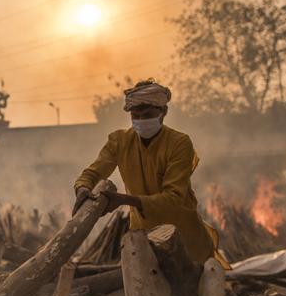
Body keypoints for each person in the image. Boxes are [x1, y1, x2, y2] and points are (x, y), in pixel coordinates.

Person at [73, 79, 227, 267]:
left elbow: (173, 198)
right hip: (143, 239)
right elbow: (94, 171)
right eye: (135, 116)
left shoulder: (179, 143)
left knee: (193, 293)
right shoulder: (119, 141)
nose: (141, 121)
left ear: (163, 112)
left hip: (185, 241)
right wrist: (83, 187)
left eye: (147, 115)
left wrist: (124, 200)